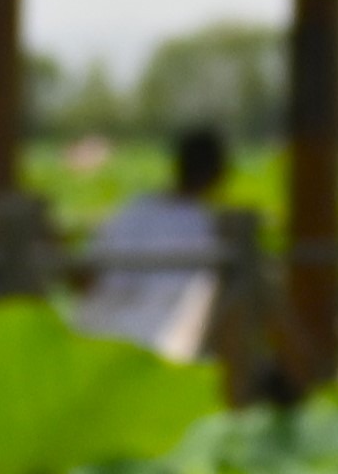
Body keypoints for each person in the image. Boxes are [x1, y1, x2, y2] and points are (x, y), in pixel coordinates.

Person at [75, 123, 241, 348]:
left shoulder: (134, 209)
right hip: (162, 351)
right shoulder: (209, 229)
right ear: (219, 174)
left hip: (96, 339)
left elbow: (86, 278)